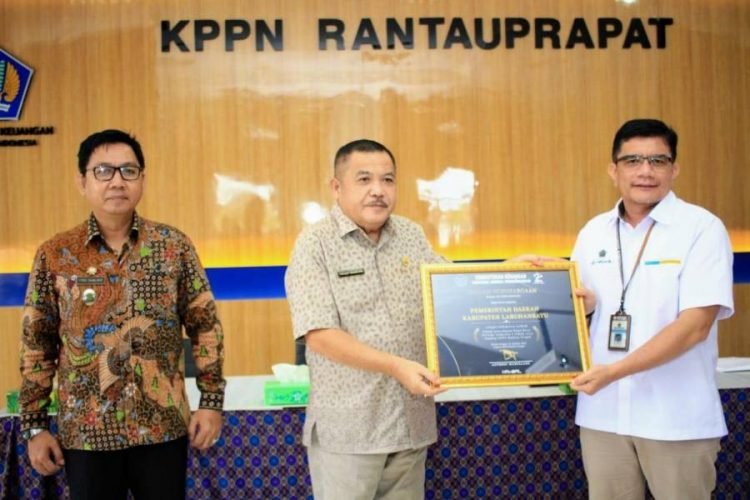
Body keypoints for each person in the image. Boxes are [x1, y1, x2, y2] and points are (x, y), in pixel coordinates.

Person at [19, 129, 225, 499]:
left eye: (128, 170)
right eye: (103, 171)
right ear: (82, 181)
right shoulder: (56, 254)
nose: (117, 181)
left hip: (161, 427)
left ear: (142, 179)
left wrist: (211, 401)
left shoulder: (173, 246)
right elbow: (37, 341)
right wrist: (35, 425)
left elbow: (205, 325)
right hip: (87, 432)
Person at [570, 119, 734, 499]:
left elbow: (694, 327)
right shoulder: (593, 232)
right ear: (613, 170)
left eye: (658, 160)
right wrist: (584, 308)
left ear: (674, 169)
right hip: (603, 415)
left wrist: (615, 371)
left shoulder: (702, 229)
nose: (645, 171)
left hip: (675, 418)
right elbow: (579, 310)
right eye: (633, 161)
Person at [284, 139, 447, 499]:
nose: (378, 190)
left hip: (410, 424)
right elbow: (319, 335)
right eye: (364, 179)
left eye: (388, 180)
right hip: (351, 432)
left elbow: (450, 287)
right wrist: (395, 366)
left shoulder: (410, 235)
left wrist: (510, 271)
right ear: (336, 187)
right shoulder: (315, 244)